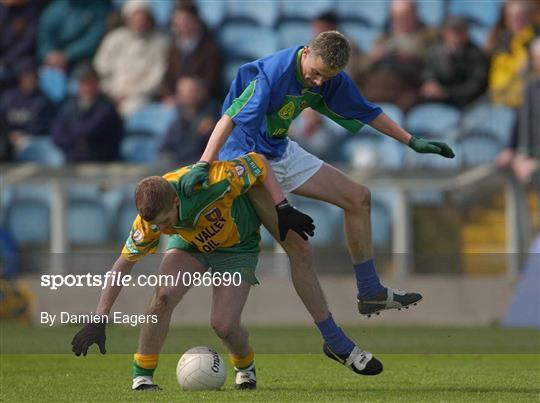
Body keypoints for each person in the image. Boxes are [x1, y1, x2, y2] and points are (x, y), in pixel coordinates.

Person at [179, 31, 456, 318]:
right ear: (307, 51)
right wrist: (203, 164)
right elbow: (230, 119)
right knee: (300, 250)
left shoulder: (328, 75)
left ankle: (370, 291)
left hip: (279, 150)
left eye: (327, 77)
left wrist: (411, 141)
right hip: (245, 161)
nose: (319, 83)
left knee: (359, 198)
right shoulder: (272, 74)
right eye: (316, 74)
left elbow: (367, 112)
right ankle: (334, 339)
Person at [70, 153, 383, 391]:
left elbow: (258, 162)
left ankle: (244, 365)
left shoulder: (213, 181)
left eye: (166, 222)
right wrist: (99, 318)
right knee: (163, 296)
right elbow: (121, 266)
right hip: (190, 245)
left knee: (223, 325)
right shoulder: (150, 222)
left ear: (178, 200)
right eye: (157, 226)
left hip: (237, 246)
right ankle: (142, 377)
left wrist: (282, 206)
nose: (162, 230)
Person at [93, 0, 168, 116]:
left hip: (140, 97)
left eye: (143, 18)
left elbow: (157, 78)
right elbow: (101, 68)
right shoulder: (114, 38)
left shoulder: (160, 43)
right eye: (135, 17)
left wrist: (130, 93)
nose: (139, 21)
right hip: (110, 94)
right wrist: (111, 91)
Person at [361, 0, 437, 111]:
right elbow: (364, 66)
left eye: (405, 16)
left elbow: (434, 62)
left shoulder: (429, 36)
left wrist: (411, 55)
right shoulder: (384, 38)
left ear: (415, 14)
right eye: (395, 17)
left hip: (407, 87)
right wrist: (374, 57)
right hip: (379, 86)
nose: (400, 21)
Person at [52, 63, 123, 162]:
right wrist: (76, 143)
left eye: (89, 82)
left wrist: (73, 137)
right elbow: (57, 134)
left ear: (97, 83)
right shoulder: (70, 105)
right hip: (72, 159)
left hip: (100, 160)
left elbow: (89, 130)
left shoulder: (106, 106)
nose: (85, 87)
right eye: (82, 82)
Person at [421, 16, 489, 109]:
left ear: (467, 33)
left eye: (460, 31)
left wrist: (446, 93)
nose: (456, 36)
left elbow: (476, 87)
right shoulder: (434, 53)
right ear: (444, 33)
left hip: (468, 105)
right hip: (437, 103)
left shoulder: (477, 55)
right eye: (452, 31)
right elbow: (428, 73)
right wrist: (430, 83)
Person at [160, 3, 222, 102]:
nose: (181, 24)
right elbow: (167, 77)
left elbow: (211, 81)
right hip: (175, 100)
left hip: (200, 101)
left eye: (185, 20)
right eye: (177, 21)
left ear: (196, 21)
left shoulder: (210, 48)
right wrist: (168, 96)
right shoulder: (172, 47)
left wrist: (190, 90)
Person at [0, 58, 54, 161]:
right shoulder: (8, 97)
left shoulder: (44, 99)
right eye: (26, 77)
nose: (29, 80)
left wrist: (25, 134)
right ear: (20, 78)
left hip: (32, 140)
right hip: (8, 139)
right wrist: (9, 134)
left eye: (32, 77)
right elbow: (2, 120)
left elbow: (46, 124)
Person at [159, 75, 220, 165]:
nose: (188, 95)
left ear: (203, 91)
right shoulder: (176, 114)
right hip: (176, 163)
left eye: (192, 91)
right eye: (183, 91)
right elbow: (165, 147)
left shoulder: (213, 113)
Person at [37, 0, 110, 71]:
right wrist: (48, 54)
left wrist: (67, 55)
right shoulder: (56, 7)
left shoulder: (98, 7)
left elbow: (92, 40)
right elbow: (45, 35)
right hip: (53, 61)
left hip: (83, 61)